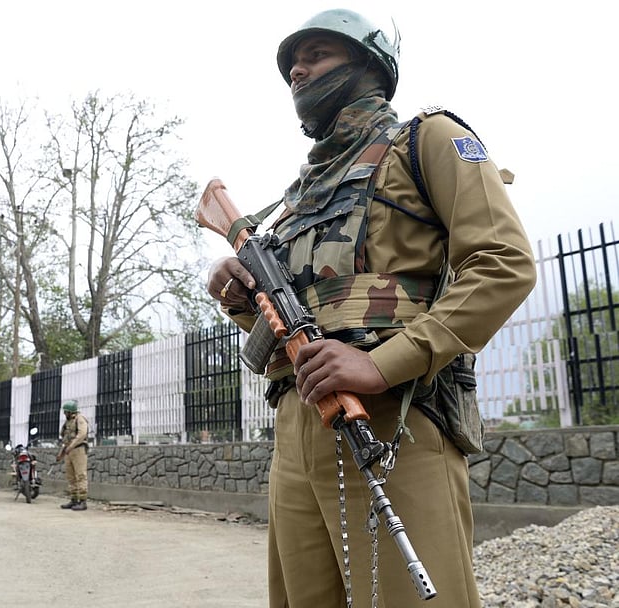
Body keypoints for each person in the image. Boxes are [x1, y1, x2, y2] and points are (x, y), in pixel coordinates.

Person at [206, 9, 536, 608]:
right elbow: (294, 315)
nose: (298, 71)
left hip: (394, 420)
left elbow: (503, 263)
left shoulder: (426, 140)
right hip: (297, 428)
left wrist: (382, 364)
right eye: (291, 66)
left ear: (369, 63)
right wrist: (240, 295)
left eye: (317, 54)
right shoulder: (296, 197)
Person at [56, 400, 89, 511]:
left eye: (66, 411)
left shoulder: (80, 419)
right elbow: (66, 439)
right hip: (69, 451)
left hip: (78, 450)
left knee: (80, 475)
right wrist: (61, 452)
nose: (65, 414)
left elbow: (81, 434)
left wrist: (71, 446)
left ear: (71, 411)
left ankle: (83, 501)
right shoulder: (67, 422)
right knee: (71, 476)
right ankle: (74, 499)